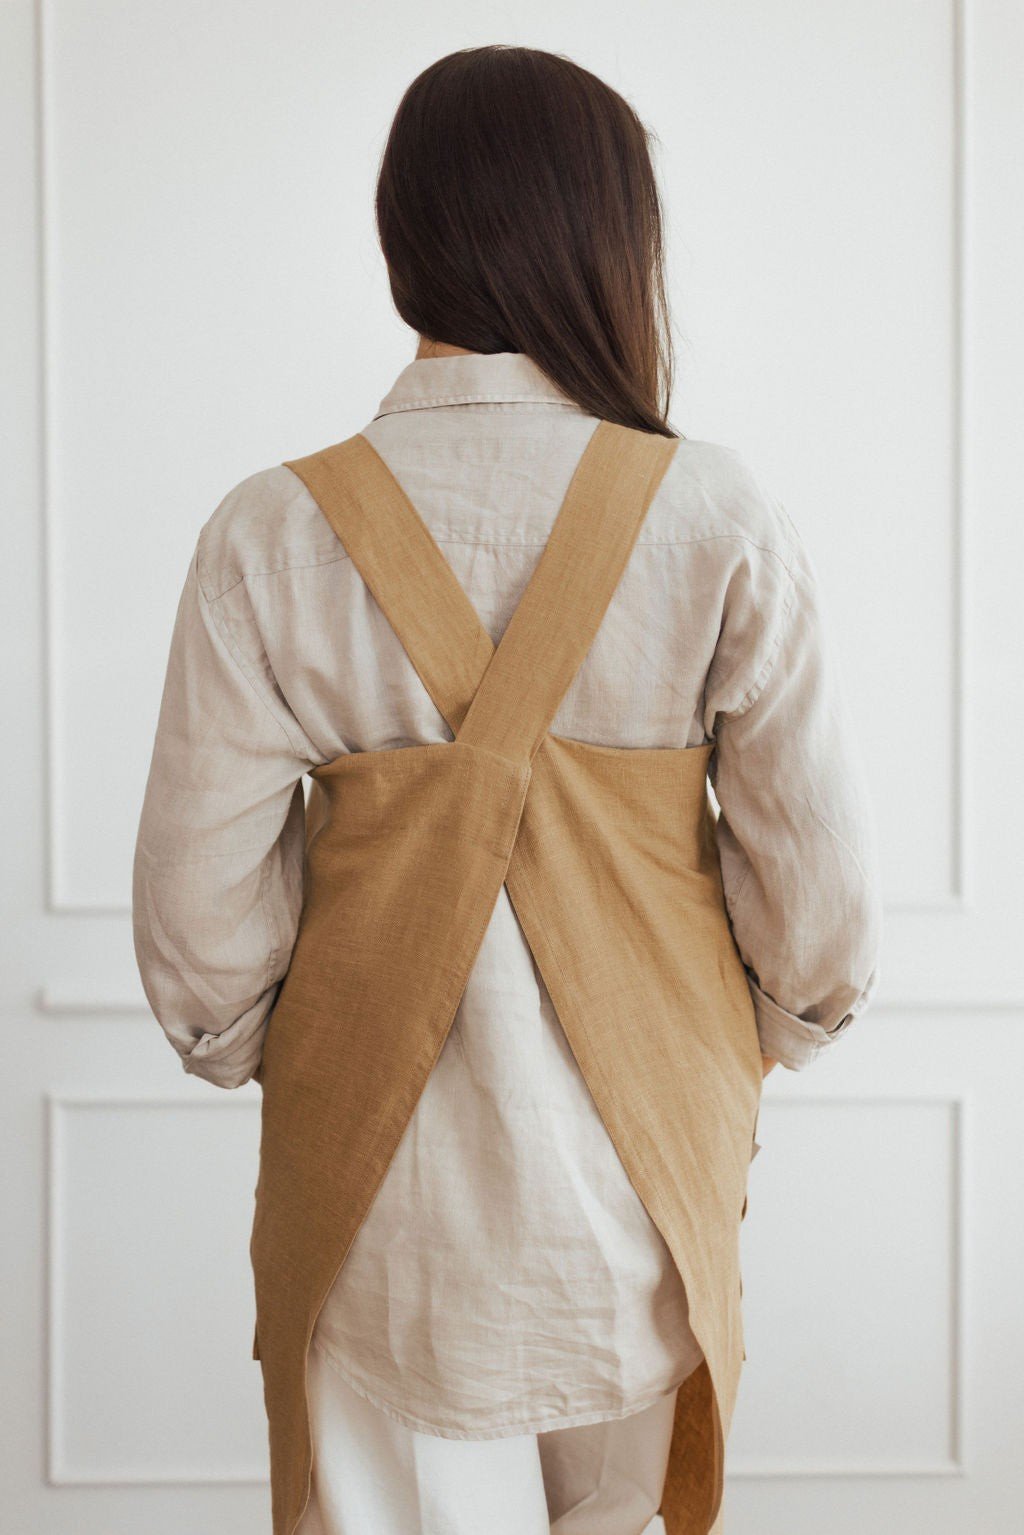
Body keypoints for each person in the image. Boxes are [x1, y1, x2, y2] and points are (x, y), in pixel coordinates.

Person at [132, 44, 882, 1535]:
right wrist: (779, 1030)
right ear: (613, 244)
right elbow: (821, 926)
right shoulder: (718, 516)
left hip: (377, 1214)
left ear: (405, 241)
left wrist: (252, 1043)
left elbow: (201, 953)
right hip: (642, 1194)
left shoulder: (269, 536)